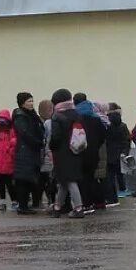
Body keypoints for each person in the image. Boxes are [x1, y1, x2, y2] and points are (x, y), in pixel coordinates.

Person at [49, 88, 86, 217]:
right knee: (64, 181)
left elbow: (56, 137)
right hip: (76, 149)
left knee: (69, 181)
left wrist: (51, 147)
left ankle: (78, 208)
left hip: (62, 152)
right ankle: (57, 207)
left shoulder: (57, 116)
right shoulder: (76, 114)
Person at [12, 93, 45, 214]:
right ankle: (22, 205)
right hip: (25, 150)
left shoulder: (32, 115)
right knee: (23, 179)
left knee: (29, 178)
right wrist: (37, 142)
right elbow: (25, 133)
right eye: (29, 101)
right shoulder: (20, 116)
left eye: (32, 101)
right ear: (22, 103)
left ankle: (26, 204)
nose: (31, 103)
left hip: (32, 150)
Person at [105, 103, 132, 199]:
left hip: (109, 153)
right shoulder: (123, 126)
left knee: (110, 175)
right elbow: (127, 140)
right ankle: (122, 189)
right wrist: (125, 152)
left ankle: (112, 192)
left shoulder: (107, 126)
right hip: (120, 153)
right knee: (120, 173)